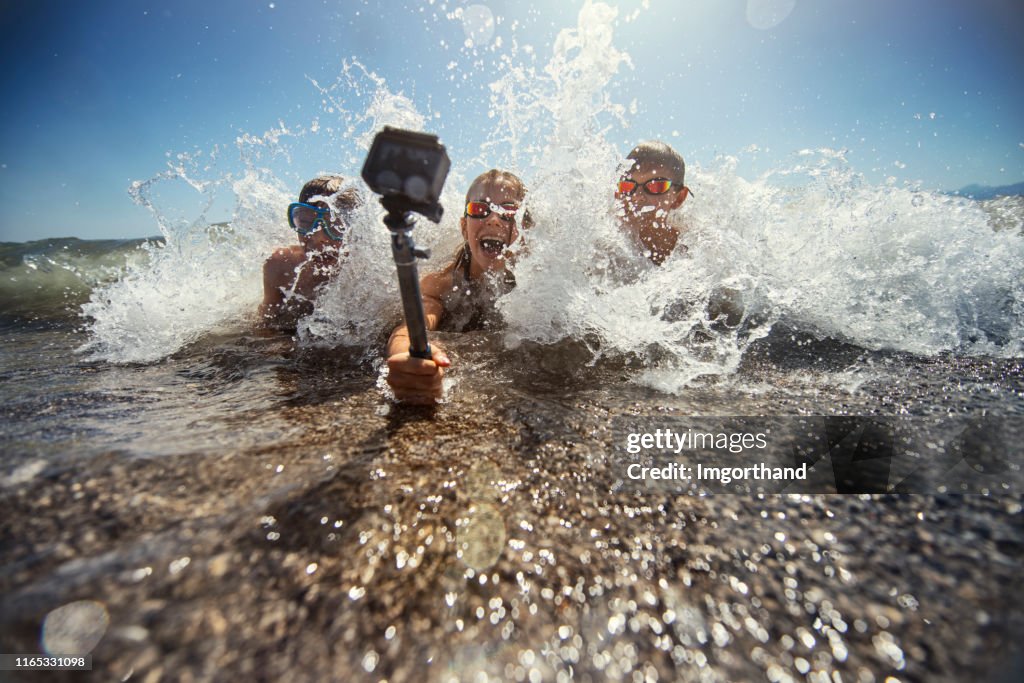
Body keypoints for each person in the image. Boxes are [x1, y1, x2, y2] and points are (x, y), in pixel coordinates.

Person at [384, 169, 529, 402]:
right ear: (464, 227)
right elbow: (409, 328)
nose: (493, 219)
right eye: (479, 209)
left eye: (508, 211)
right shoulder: (441, 284)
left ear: (524, 231)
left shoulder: (536, 283)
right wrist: (407, 355)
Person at [616, 140, 743, 326]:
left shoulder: (696, 245)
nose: (637, 196)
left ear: (679, 198)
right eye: (627, 186)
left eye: (656, 186)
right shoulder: (609, 242)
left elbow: (731, 308)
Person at [258, 175, 360, 329]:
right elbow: (266, 323)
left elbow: (397, 322)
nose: (318, 238)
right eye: (305, 222)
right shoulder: (280, 267)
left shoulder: (368, 274)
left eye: (336, 225)